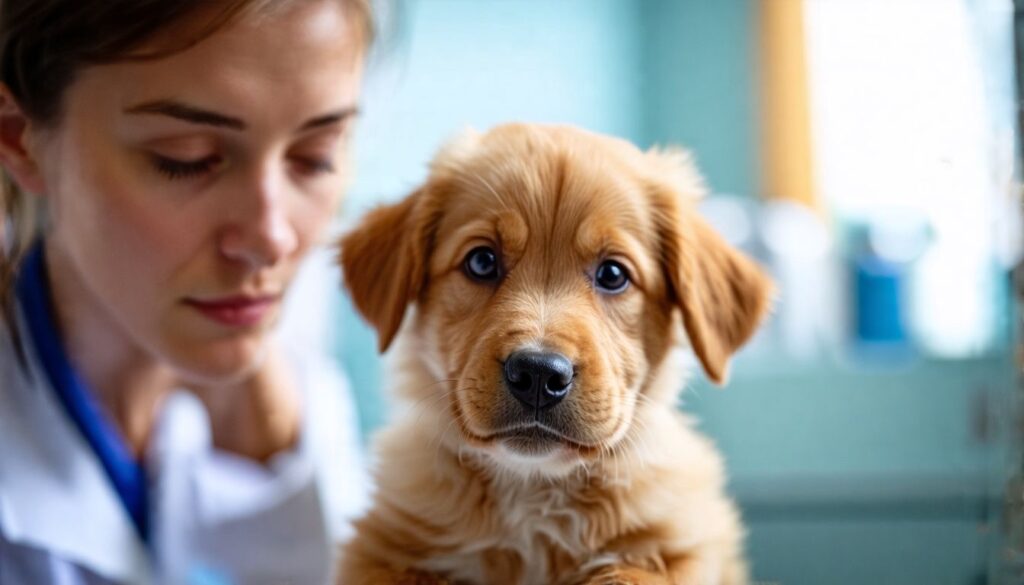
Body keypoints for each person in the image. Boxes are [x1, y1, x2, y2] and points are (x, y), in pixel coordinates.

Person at [0, 1, 373, 583]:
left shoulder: (294, 334)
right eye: (188, 161)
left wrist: (272, 444)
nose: (272, 239)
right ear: (20, 138)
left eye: (314, 157)